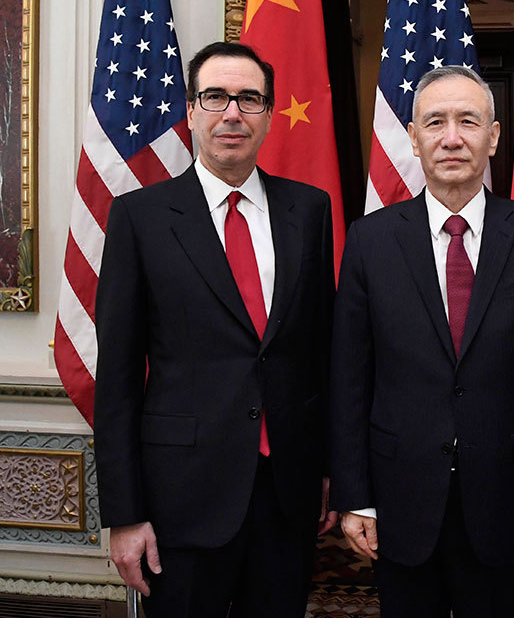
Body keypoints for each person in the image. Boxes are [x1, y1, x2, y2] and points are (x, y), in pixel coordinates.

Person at [93, 41, 336, 617]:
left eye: (249, 99)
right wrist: (124, 515)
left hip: (287, 492)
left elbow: (321, 354)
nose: (232, 113)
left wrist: (331, 469)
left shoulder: (310, 210)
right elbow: (118, 379)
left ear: (269, 114)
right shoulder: (140, 218)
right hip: (181, 498)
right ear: (191, 109)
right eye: (215, 97)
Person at [329, 65, 514, 617]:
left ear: (493, 136)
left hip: (507, 498)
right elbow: (349, 380)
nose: (451, 137)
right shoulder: (371, 241)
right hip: (399, 498)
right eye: (435, 122)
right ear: (413, 138)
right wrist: (355, 495)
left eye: (468, 121)